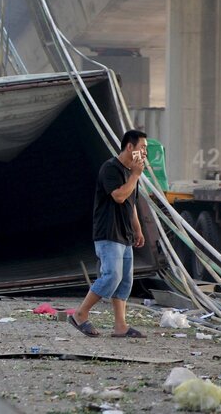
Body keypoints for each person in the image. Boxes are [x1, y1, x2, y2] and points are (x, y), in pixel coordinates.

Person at [69, 129, 148, 338]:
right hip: (108, 232)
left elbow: (131, 205)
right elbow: (120, 196)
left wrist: (138, 230)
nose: (144, 153)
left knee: (125, 282)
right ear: (130, 147)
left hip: (125, 234)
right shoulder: (110, 168)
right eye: (142, 148)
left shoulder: (131, 174)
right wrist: (136, 175)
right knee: (112, 275)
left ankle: (120, 326)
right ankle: (80, 314)